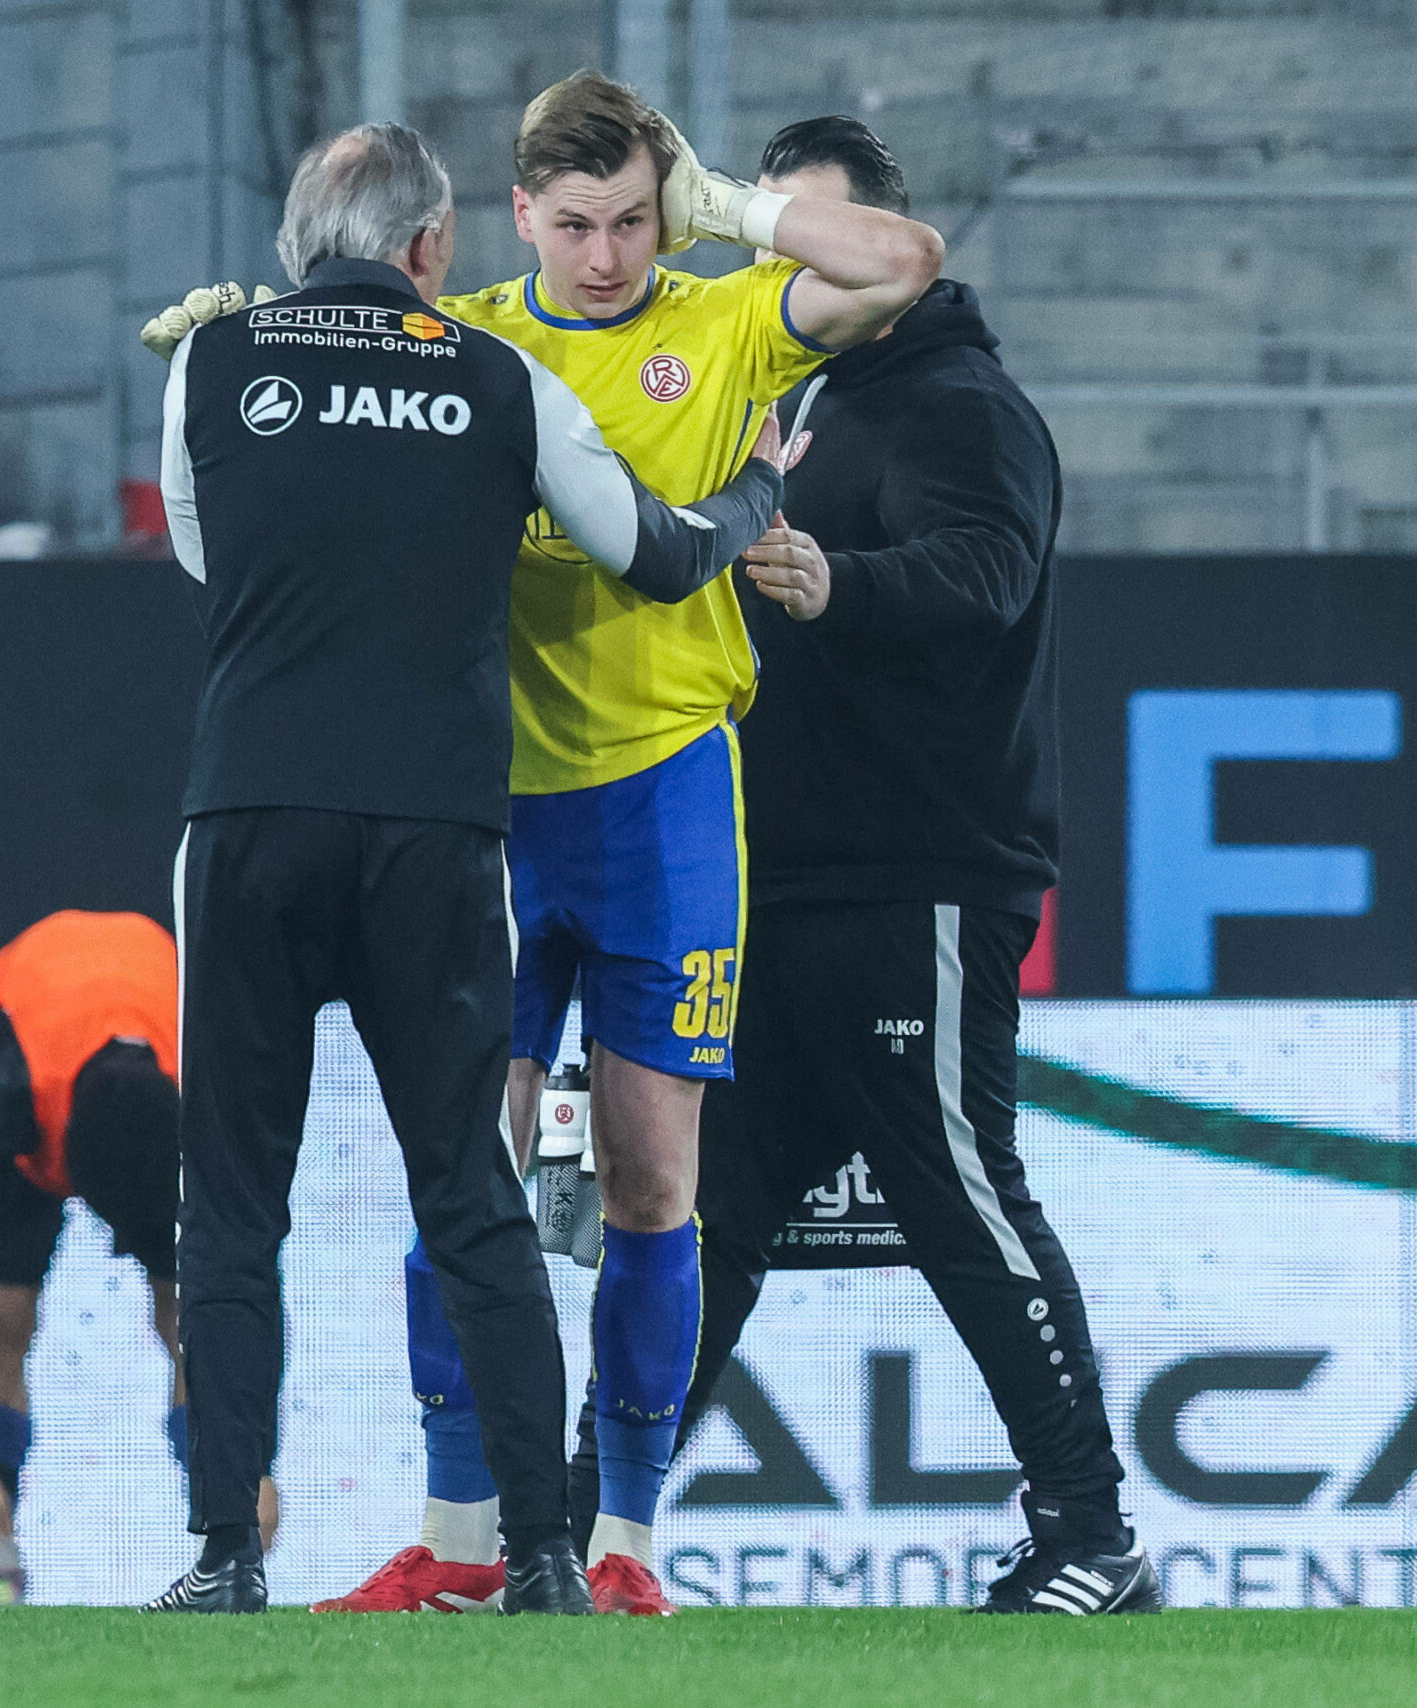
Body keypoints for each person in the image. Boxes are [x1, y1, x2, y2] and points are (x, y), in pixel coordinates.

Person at [145, 122, 786, 1616]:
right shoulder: (501, 377)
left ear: (300, 241)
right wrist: (758, 492)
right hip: (436, 831)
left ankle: (227, 1555)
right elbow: (655, 556)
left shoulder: (214, 360)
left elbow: (205, 555)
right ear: (435, 247)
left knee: (228, 1204)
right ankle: (547, 1557)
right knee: (471, 1190)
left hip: (251, 815)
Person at [673, 116, 1156, 1616]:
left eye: (821, 238)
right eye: (779, 243)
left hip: (916, 875)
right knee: (705, 1217)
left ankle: (1093, 1535)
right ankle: (587, 1534)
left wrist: (840, 581)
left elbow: (987, 575)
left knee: (959, 1194)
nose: (801, 268)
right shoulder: (797, 397)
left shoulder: (962, 402)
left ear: (887, 242)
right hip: (787, 881)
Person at [0, 909, 277, 1605]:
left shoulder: (210, 1084)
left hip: (154, 1064)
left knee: (190, 1316)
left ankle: (224, 1548)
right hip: (31, 1049)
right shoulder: (0, 1095)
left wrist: (256, 1464)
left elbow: (250, 1281)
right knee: (1, 1318)